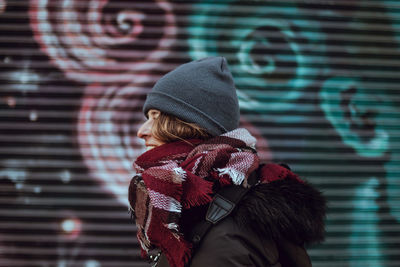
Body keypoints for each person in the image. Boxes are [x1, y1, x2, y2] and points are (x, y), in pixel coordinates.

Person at [128, 56, 326, 267]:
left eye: (156, 118)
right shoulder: (184, 208)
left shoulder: (233, 224)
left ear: (191, 125)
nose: (142, 131)